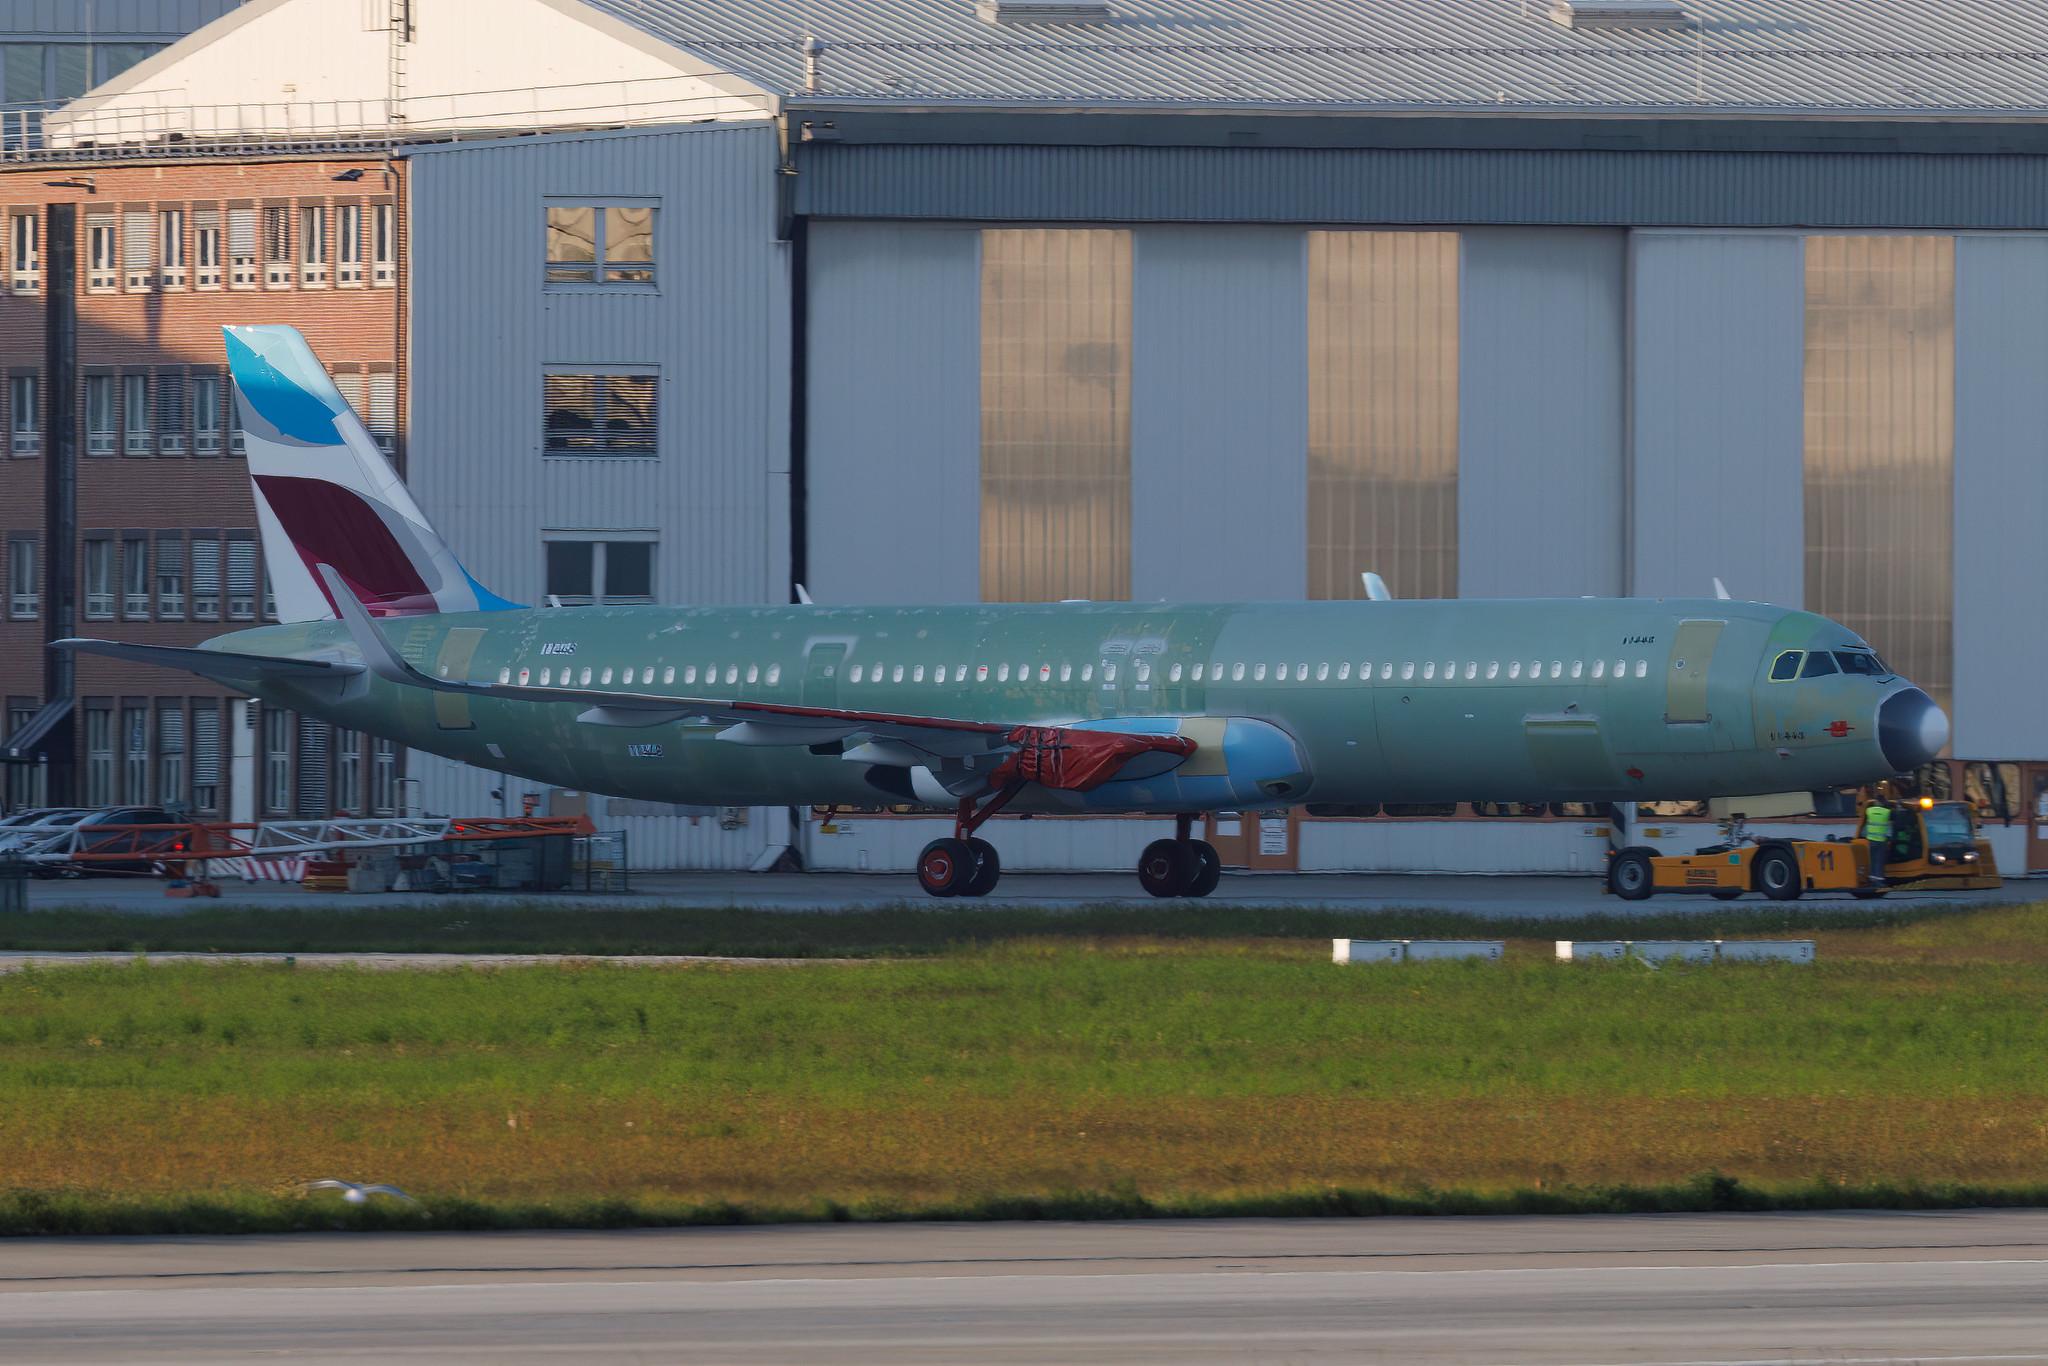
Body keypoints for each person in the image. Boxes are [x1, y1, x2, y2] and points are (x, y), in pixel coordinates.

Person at [1862, 798, 1893, 885]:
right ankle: (1879, 879)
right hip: (1881, 841)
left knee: (1872, 860)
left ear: (1876, 802)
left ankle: (1872, 878)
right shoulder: (1887, 812)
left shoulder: (1869, 810)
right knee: (1879, 860)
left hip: (1870, 840)